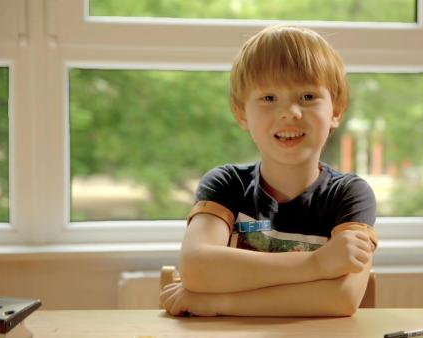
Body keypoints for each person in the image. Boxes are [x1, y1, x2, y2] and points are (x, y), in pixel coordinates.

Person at [159, 25, 378, 317]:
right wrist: (319, 265)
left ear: (336, 111)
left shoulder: (350, 194)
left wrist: (216, 301)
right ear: (241, 114)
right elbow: (197, 269)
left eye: (308, 96)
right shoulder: (226, 184)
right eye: (269, 98)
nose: (290, 112)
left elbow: (341, 299)